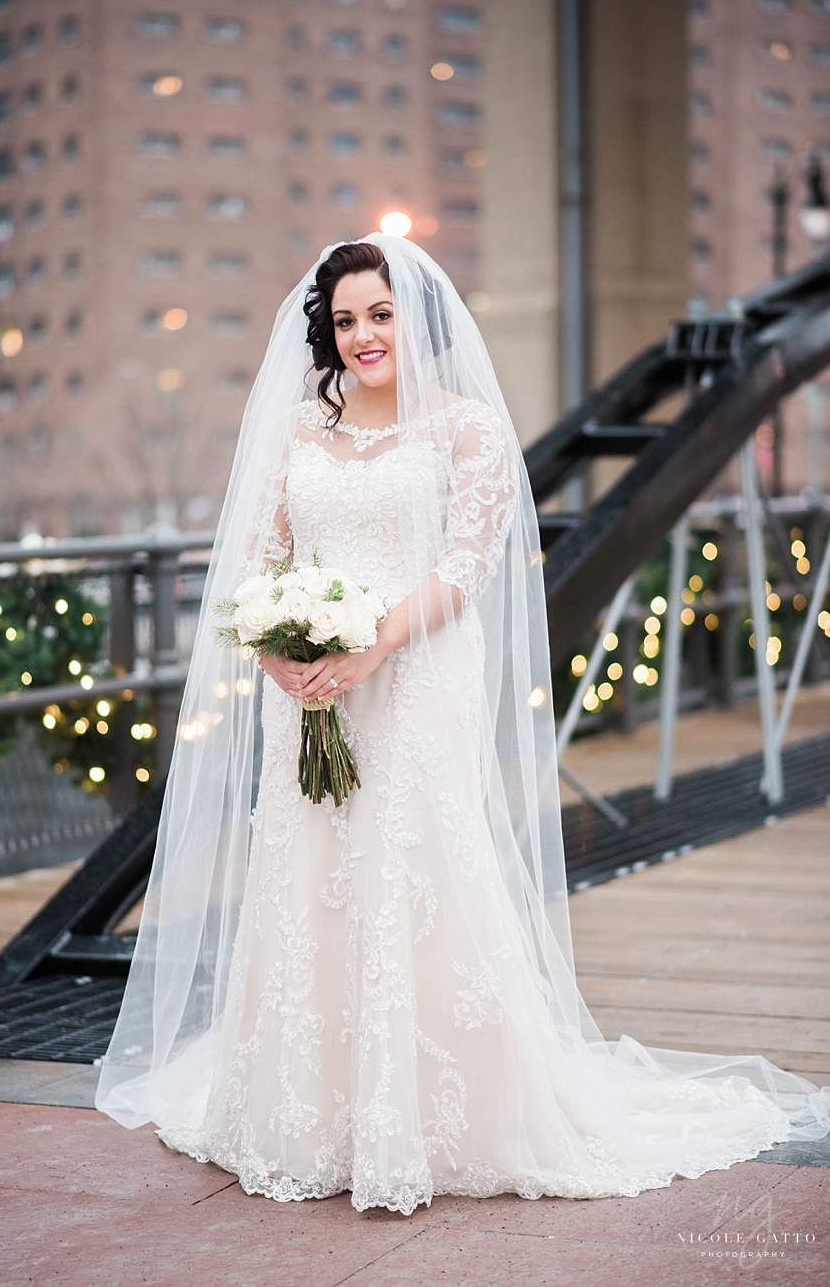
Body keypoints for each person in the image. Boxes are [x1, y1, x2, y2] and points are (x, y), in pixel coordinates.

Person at [96, 234, 829, 1215]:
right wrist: (285, 657)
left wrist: (369, 647)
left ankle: (431, 1112)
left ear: (418, 320)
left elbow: (464, 568)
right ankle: (313, 1109)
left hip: (415, 678)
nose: (364, 336)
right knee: (311, 873)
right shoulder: (295, 435)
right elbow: (261, 564)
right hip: (311, 690)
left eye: (381, 315)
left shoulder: (469, 432)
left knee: (416, 867)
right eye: (347, 319)